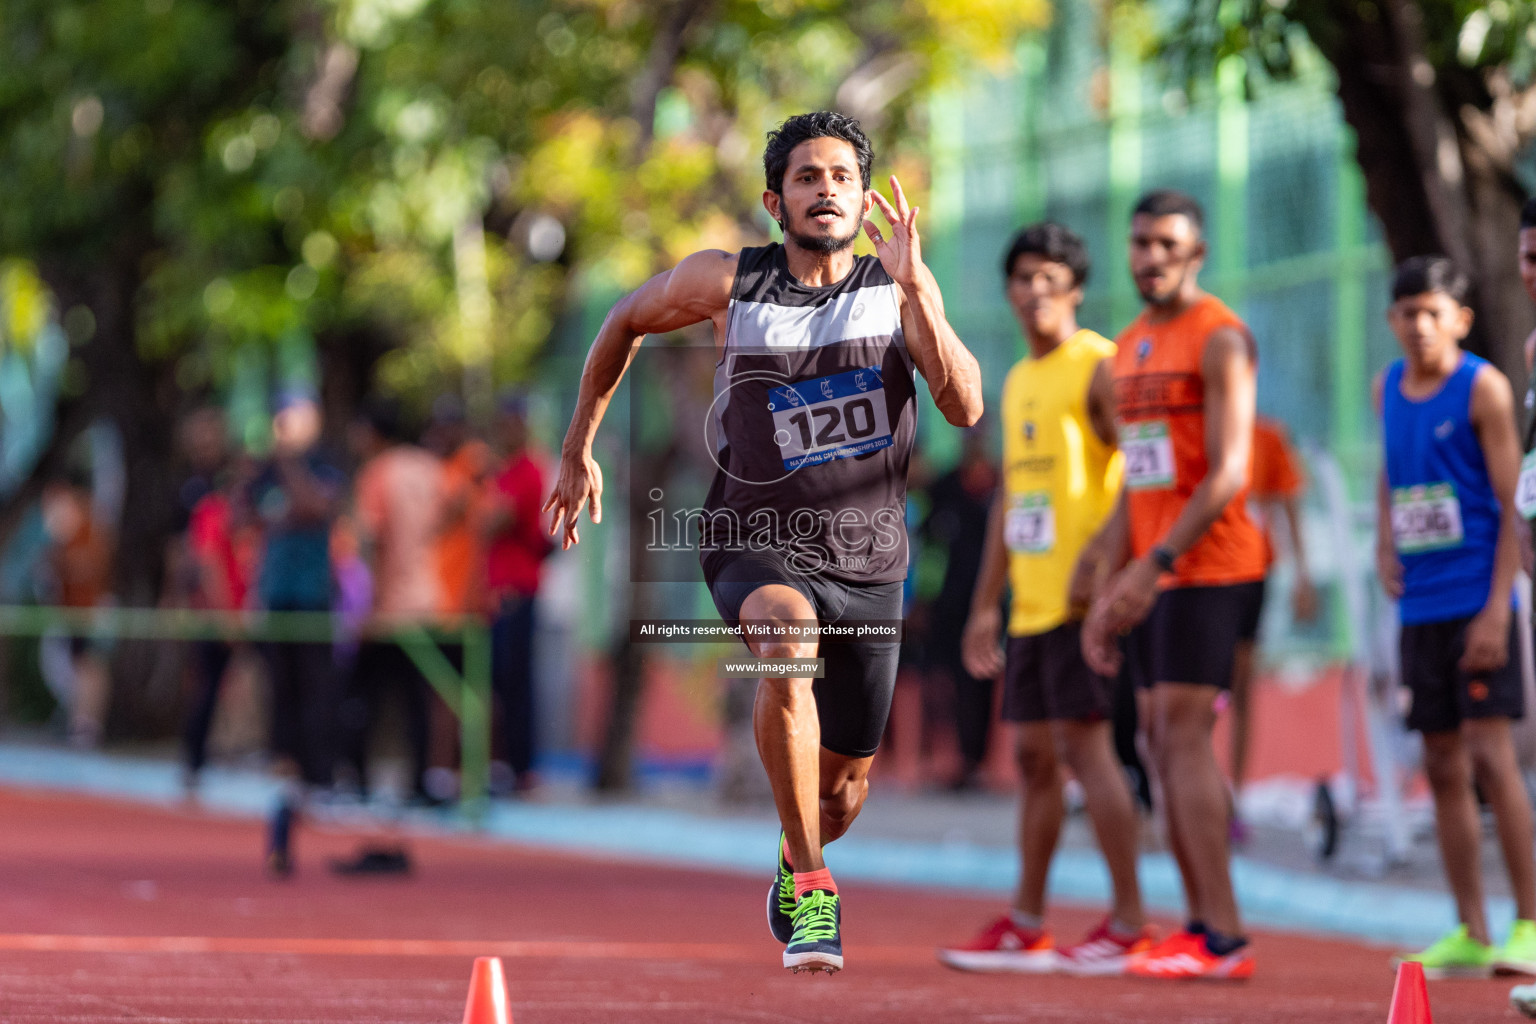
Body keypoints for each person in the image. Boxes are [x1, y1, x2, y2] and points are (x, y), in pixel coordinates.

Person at [543, 111, 982, 974]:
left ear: (865, 196)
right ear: (775, 199)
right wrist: (577, 446)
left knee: (844, 789)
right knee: (785, 647)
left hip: (869, 559)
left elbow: (964, 408)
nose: (828, 190)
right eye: (809, 177)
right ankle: (816, 892)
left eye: (844, 177)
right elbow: (625, 319)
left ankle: (796, 852)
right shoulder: (730, 283)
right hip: (755, 539)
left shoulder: (895, 292)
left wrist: (922, 292)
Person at [938, 222, 1149, 975]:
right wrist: (985, 603)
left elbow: (1140, 466)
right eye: (1023, 278)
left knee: (1088, 755)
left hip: (1080, 601)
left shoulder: (1097, 365)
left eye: (1050, 279)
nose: (1034, 292)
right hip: (1027, 604)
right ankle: (1027, 923)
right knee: (1031, 757)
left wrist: (1107, 557)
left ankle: (1130, 921)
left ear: (1076, 290)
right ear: (1008, 290)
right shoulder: (1020, 378)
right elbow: (1007, 501)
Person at [1079, 189, 1264, 980]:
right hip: (1153, 572)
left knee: (1182, 736)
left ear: (1196, 253)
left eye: (1167, 244)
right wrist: (1110, 568)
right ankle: (1196, 925)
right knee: (1154, 739)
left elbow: (1227, 473)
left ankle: (1222, 935)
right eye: (1141, 243)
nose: (1150, 257)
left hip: (1212, 565)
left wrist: (1154, 567)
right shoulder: (1126, 349)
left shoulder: (1221, 338)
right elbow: (1139, 478)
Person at [1375, 255, 1536, 978]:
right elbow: (1390, 468)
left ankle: (1529, 924)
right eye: (1407, 313)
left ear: (1460, 319)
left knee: (1489, 758)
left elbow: (1514, 505)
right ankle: (1470, 927)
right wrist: (1384, 536)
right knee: (1439, 764)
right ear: (1392, 320)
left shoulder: (1485, 389)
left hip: (1477, 596)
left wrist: (1499, 609)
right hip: (1421, 605)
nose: (1419, 326)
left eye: (1432, 312)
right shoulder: (1387, 386)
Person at [247, 391, 345, 875]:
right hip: (276, 598)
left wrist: (287, 466)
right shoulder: (262, 471)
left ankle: (318, 777)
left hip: (312, 600)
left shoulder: (322, 464)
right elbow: (246, 516)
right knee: (280, 692)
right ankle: (285, 775)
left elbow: (312, 508)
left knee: (316, 692)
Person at [341, 398, 444, 804]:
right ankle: (419, 781)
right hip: (426, 597)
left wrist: (364, 602)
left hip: (387, 604)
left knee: (361, 694)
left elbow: (370, 538)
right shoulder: (429, 468)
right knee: (417, 698)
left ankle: (359, 780)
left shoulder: (377, 473)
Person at [1227, 415, 1319, 817]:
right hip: (1194, 578)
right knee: (1191, 697)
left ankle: (1235, 797)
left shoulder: (1267, 436)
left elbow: (1288, 505)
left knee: (1241, 686)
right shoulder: (1193, 427)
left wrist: (1302, 575)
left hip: (1249, 576)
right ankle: (1191, 794)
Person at [918, 423, 997, 790]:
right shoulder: (945, 488)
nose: (974, 442)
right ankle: (949, 761)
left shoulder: (999, 486)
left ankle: (983, 763)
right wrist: (924, 596)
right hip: (948, 603)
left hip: (991, 602)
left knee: (985, 680)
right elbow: (930, 548)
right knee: (944, 681)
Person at [482, 392, 550, 794]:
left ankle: (522, 768)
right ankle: (499, 763)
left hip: (518, 590)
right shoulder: (499, 471)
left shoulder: (528, 470)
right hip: (493, 592)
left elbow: (495, 521)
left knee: (515, 679)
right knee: (494, 680)